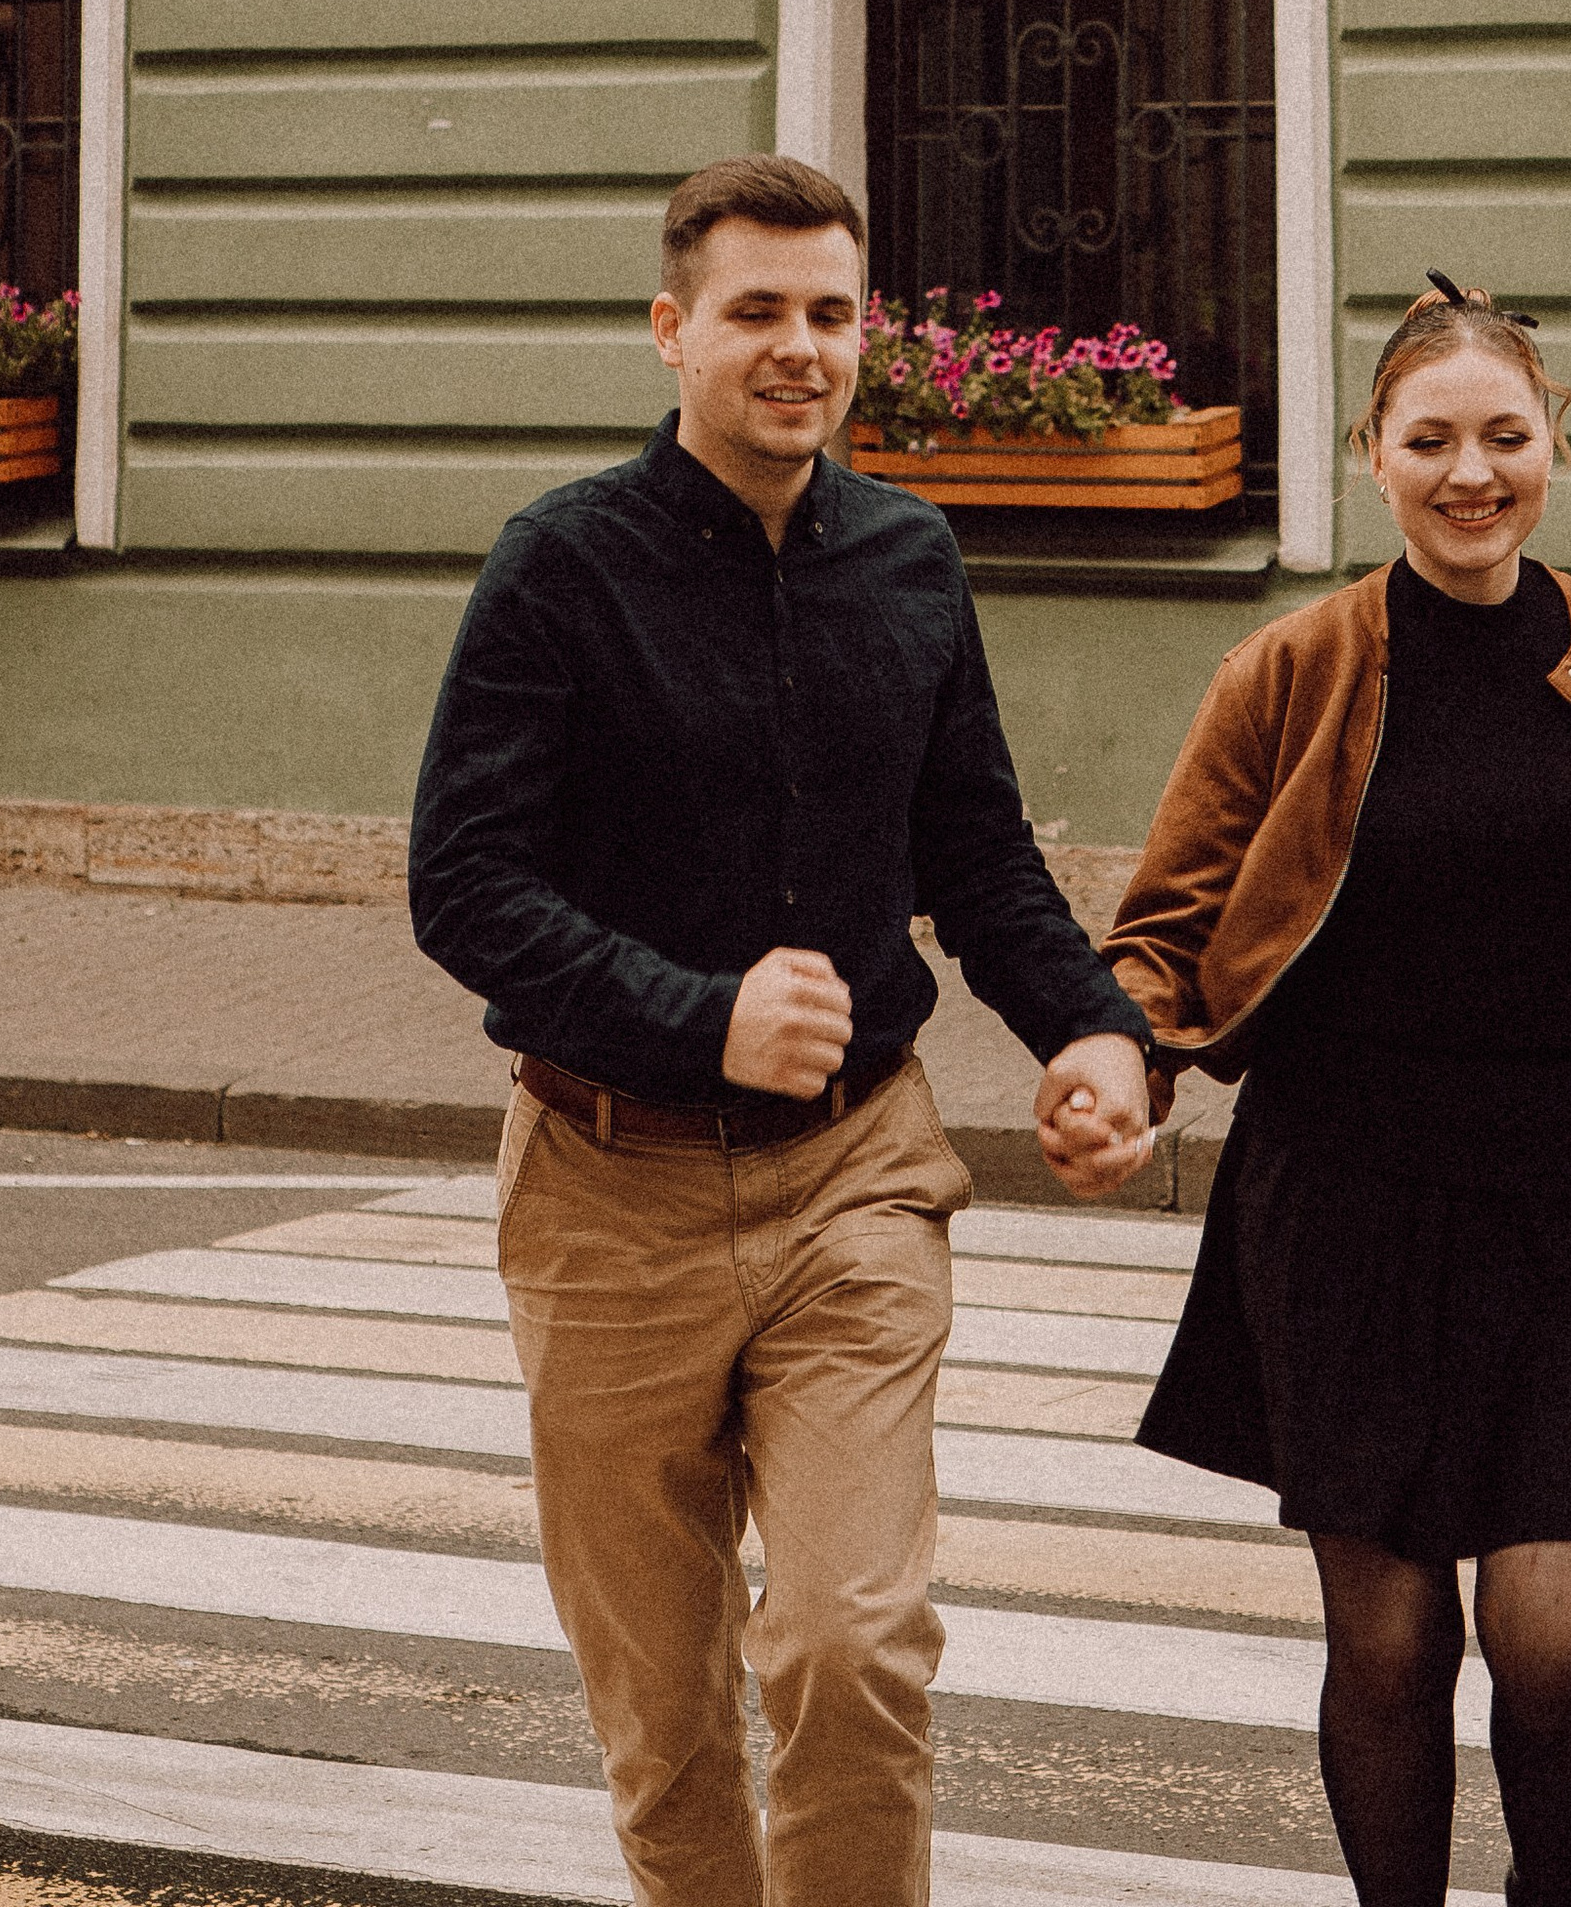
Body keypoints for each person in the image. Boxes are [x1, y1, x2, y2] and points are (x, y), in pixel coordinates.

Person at [409, 154, 1157, 1907]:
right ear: (673, 332)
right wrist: (697, 1014)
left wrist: (1102, 1037)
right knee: (665, 1728)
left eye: (832, 314)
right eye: (757, 313)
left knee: (848, 1641)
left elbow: (977, 855)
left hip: (853, 1185)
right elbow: (465, 883)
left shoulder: (908, 559)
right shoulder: (560, 569)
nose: (799, 349)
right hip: (608, 1201)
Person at [1106, 280, 1571, 1907]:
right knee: (1388, 1639)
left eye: (1502, 437)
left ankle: (1546, 1896)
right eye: (1429, 438)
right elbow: (1166, 927)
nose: (1470, 472)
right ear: (1372, 453)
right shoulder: (1292, 670)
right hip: (1346, 1200)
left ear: (1553, 445)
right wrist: (1124, 1057)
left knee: (1562, 1635)